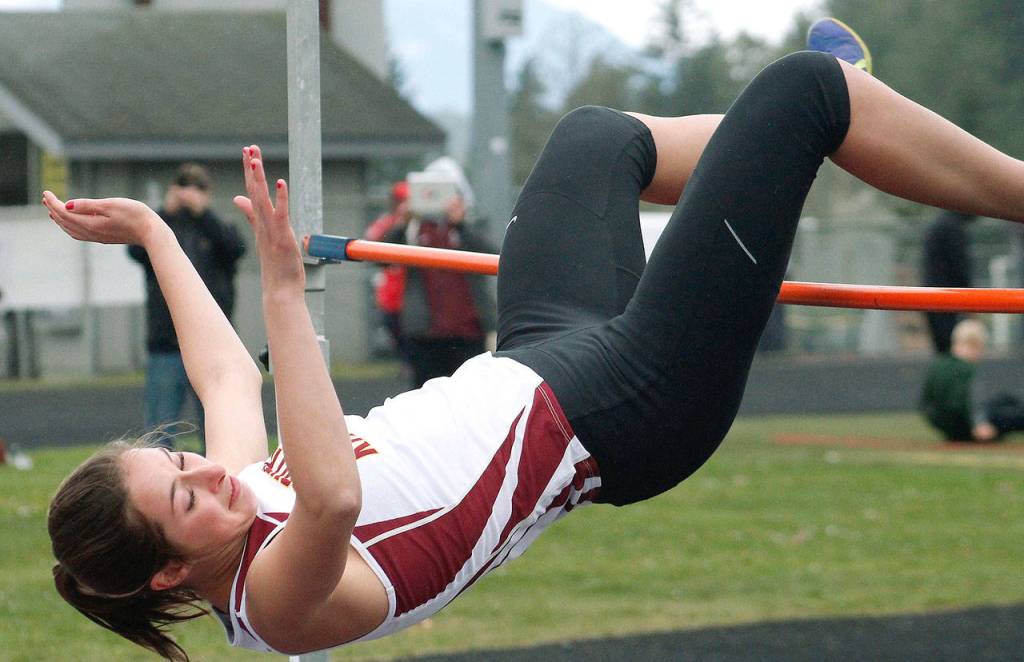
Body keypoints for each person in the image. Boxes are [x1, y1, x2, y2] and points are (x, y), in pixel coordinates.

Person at [43, 22, 1024, 660]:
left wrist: (154, 231)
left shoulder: (227, 504)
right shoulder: (273, 599)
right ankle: (863, 128)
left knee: (596, 139)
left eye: (179, 460)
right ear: (170, 571)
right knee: (805, 90)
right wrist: (289, 299)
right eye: (183, 494)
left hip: (539, 348)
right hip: (626, 407)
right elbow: (333, 495)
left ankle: (832, 127)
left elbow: (218, 368)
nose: (209, 473)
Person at [127, 164, 246, 450]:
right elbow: (134, 250)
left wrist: (204, 214)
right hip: (166, 344)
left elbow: (236, 248)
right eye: (184, 186)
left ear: (208, 194)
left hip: (211, 345)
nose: (190, 194)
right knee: (158, 434)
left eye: (198, 188)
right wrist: (164, 213)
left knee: (219, 430)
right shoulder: (161, 229)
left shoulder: (219, 228)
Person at [383, 190, 497, 388]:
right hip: (425, 333)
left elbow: (493, 256)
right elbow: (381, 257)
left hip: (467, 332)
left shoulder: (467, 228)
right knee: (424, 398)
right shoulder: (413, 228)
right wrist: (403, 221)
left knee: (470, 398)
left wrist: (460, 224)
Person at [920, 318, 1024, 442]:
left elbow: (925, 403)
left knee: (1005, 400)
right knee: (1013, 412)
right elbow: (967, 400)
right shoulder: (965, 368)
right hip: (965, 425)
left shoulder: (941, 363)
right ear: (975, 344)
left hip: (944, 423)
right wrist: (979, 424)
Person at [364, 181, 411, 357]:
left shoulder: (421, 226)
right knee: (398, 337)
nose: (402, 205)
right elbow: (373, 243)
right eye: (399, 200)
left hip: (413, 297)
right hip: (392, 297)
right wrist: (400, 223)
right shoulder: (387, 223)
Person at [921, 210, 976, 353]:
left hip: (933, 293)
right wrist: (971, 297)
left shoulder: (943, 224)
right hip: (948, 295)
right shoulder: (952, 228)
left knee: (943, 346)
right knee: (951, 345)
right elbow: (960, 265)